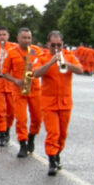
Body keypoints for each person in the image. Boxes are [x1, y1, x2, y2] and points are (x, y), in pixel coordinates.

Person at [32, 30, 83, 175]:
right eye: (53, 45)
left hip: (65, 101)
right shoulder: (42, 57)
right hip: (49, 102)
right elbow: (35, 73)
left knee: (62, 134)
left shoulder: (69, 56)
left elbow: (80, 70)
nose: (56, 48)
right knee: (52, 132)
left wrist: (66, 63)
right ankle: (52, 160)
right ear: (48, 44)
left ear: (63, 44)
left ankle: (57, 154)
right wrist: (51, 62)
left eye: (58, 45)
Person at [1, 28, 43, 158]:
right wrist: (15, 80)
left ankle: (32, 136)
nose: (27, 40)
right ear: (18, 39)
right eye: (24, 38)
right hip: (19, 90)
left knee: (37, 118)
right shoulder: (11, 53)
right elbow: (4, 72)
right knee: (21, 119)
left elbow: (43, 65)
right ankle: (23, 144)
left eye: (29, 38)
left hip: (35, 88)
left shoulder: (37, 51)